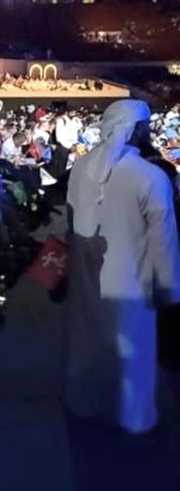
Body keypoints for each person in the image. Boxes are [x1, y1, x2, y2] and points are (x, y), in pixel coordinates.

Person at [64, 99, 180, 434]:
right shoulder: (151, 177)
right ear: (135, 131)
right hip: (132, 281)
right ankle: (133, 418)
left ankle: (85, 404)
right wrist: (168, 289)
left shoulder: (81, 167)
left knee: (88, 345)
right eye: (145, 127)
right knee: (132, 351)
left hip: (87, 277)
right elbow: (163, 240)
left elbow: (71, 221)